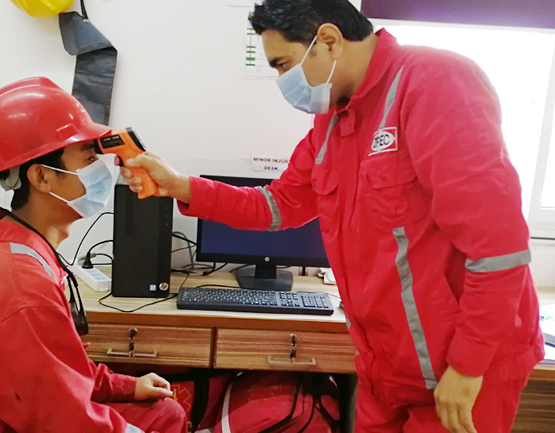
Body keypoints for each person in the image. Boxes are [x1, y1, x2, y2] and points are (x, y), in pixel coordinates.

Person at [119, 1, 545, 433]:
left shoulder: (435, 83)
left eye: (283, 64)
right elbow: (276, 206)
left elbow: (498, 248)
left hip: (460, 369)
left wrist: (468, 366)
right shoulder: (333, 120)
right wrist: (179, 185)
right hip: (387, 365)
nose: (283, 81)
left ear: (328, 40)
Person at [0, 77, 187, 433]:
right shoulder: (21, 287)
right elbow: (67, 422)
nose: (101, 170)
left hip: (0, 413)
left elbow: (53, 367)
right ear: (42, 177)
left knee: (164, 412)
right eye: (89, 158)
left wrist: (125, 386)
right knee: (165, 418)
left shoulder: (1, 245)